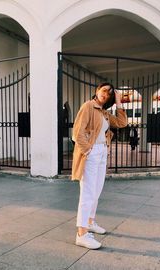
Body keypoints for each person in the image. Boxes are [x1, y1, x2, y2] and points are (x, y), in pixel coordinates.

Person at [71, 82, 128, 249]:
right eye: (104, 90)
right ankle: (81, 234)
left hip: (102, 152)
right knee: (88, 192)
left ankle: (90, 222)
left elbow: (122, 123)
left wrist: (118, 101)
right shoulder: (88, 106)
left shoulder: (104, 113)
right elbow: (77, 132)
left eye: (110, 93)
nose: (106, 94)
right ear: (97, 91)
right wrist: (88, 150)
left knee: (96, 190)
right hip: (91, 152)